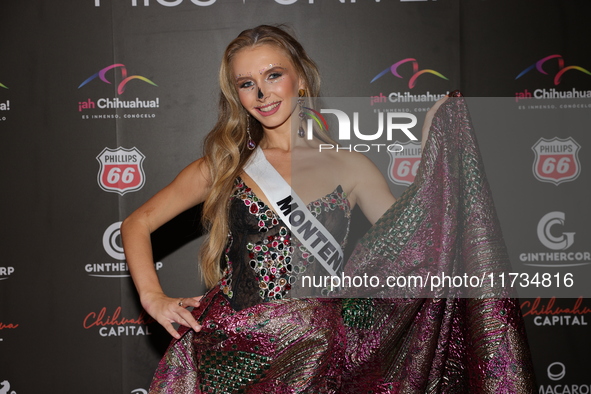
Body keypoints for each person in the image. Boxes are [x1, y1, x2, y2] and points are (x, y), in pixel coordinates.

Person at [122, 25, 535, 393]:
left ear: (299, 80)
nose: (262, 93)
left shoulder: (351, 166)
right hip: (231, 354)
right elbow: (137, 222)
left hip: (317, 359)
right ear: (237, 94)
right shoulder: (223, 164)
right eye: (247, 83)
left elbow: (415, 250)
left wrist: (434, 157)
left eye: (273, 75)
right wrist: (152, 297)